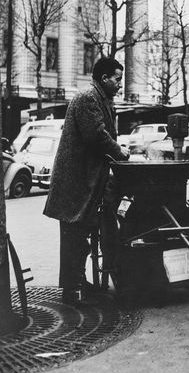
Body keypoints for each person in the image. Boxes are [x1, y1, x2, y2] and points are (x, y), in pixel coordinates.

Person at [43, 57, 129, 305]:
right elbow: (96, 136)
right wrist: (119, 152)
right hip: (76, 181)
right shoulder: (88, 98)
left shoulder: (99, 98)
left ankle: (79, 283)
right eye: (117, 79)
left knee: (79, 233)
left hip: (84, 179)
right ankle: (73, 290)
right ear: (104, 78)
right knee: (74, 234)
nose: (119, 85)